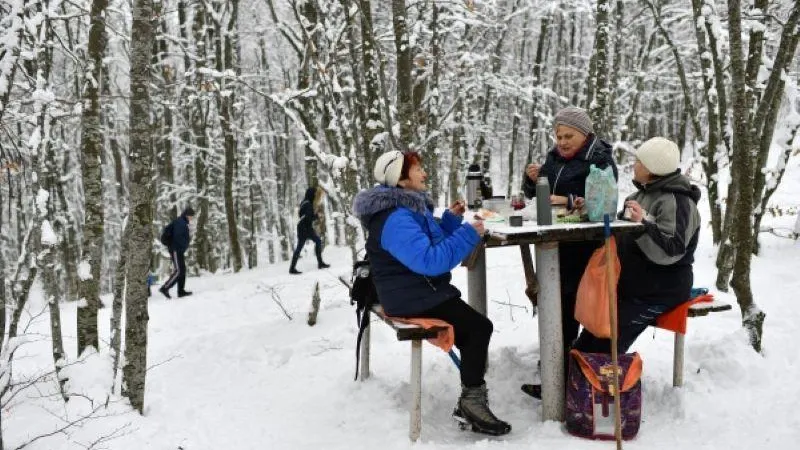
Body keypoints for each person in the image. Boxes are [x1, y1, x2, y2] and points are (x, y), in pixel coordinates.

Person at [352, 150, 511, 436]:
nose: (424, 174)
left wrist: (449, 223)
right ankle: (471, 402)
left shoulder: (404, 209)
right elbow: (429, 261)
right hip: (412, 296)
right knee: (478, 329)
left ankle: (472, 393)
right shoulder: (395, 218)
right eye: (418, 170)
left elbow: (421, 240)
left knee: (473, 329)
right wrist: (467, 234)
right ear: (400, 180)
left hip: (417, 289)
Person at [520, 106, 618, 398]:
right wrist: (531, 179)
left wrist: (569, 199)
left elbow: (605, 201)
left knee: (569, 305)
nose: (561, 142)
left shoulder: (599, 159)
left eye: (568, 136)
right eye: (558, 135)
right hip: (555, 242)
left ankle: (562, 378)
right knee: (552, 301)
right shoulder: (553, 158)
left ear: (584, 134)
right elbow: (535, 194)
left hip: (585, 245)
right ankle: (556, 370)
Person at [573, 137, 701, 353]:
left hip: (661, 290)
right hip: (632, 288)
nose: (635, 165)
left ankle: (595, 383)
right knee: (592, 331)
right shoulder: (638, 196)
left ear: (653, 168)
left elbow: (671, 251)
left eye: (639, 161)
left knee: (609, 337)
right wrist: (591, 207)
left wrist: (642, 223)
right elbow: (615, 228)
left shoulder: (678, 202)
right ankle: (569, 383)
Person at [289, 187, 330, 274]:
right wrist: (317, 216)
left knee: (315, 242)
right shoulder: (307, 204)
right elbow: (308, 217)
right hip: (304, 228)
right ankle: (319, 263)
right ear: (311, 194)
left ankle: (293, 268)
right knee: (304, 246)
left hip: (304, 227)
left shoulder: (305, 202)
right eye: (314, 194)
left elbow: (304, 215)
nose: (315, 195)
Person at [159, 207, 195, 299]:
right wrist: (182, 247)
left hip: (178, 250)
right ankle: (165, 288)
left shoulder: (182, 222)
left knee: (182, 270)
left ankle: (181, 291)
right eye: (191, 216)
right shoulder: (181, 223)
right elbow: (178, 237)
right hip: (176, 249)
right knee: (179, 270)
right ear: (187, 215)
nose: (192, 218)